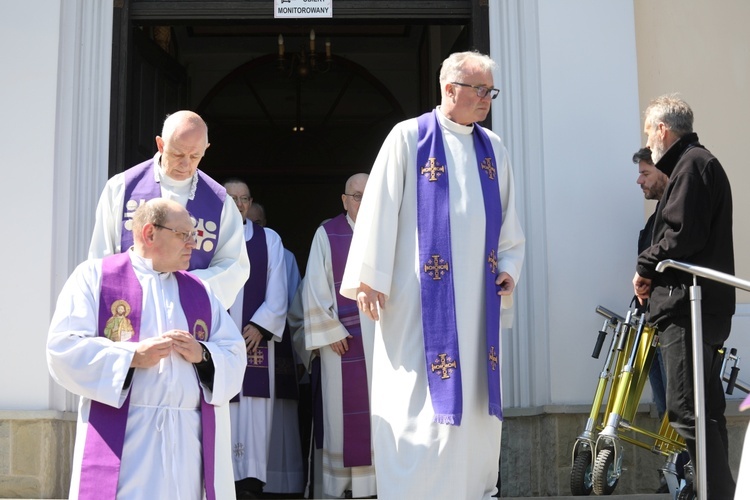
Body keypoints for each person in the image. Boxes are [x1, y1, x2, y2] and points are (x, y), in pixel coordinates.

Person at [340, 51, 526, 499]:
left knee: (474, 408)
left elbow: (509, 224)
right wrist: (370, 276)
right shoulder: (409, 138)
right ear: (450, 89)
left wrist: (509, 270)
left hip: (477, 304)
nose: (487, 100)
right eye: (480, 90)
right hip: (416, 304)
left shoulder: (493, 149)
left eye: (490, 91)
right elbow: (379, 209)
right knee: (415, 405)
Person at [47, 198, 246, 500]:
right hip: (126, 441)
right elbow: (63, 348)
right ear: (150, 233)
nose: (193, 244)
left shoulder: (201, 291)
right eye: (184, 235)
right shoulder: (95, 277)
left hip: (188, 444)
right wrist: (131, 357)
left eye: (194, 235)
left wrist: (203, 355)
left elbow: (234, 353)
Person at [633, 94, 735, 498]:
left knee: (685, 411)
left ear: (662, 129)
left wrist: (644, 266)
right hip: (700, 306)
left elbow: (681, 235)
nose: (650, 142)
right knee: (705, 414)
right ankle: (719, 492)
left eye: (649, 132)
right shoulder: (695, 164)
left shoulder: (692, 165)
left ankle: (714, 492)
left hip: (687, 307)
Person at [88, 110, 249, 310]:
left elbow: (233, 265)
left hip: (189, 310)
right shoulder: (121, 188)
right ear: (161, 145)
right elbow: (101, 255)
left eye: (195, 156)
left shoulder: (220, 202)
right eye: (178, 154)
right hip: (129, 308)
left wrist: (181, 287)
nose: (185, 164)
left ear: (206, 149)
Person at [303, 173, 377, 499]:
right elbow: (314, 288)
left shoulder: (387, 230)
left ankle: (378, 485)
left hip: (380, 346)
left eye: (368, 194)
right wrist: (330, 330)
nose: (362, 200)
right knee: (340, 418)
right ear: (344, 200)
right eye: (356, 195)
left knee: (379, 414)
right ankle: (345, 488)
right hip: (342, 343)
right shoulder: (326, 233)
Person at [223, 179, 289, 499]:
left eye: (244, 198)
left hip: (254, 341)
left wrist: (261, 326)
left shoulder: (269, 239)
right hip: (219, 340)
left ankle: (251, 481)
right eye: (232, 198)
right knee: (222, 402)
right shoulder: (211, 237)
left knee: (255, 409)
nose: (238, 204)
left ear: (250, 203)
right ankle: (222, 477)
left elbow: (279, 288)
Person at [247, 199, 306, 496]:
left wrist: (300, 358)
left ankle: (282, 483)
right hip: (237, 346)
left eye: (259, 222)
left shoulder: (283, 254)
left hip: (274, 349)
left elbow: (294, 304)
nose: (252, 226)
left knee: (277, 422)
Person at [633, 147, 669, 421]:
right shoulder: (655, 218)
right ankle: (675, 465)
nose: (639, 180)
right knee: (665, 409)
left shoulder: (676, 214)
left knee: (678, 413)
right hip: (651, 324)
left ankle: (687, 465)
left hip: (671, 325)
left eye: (645, 173)